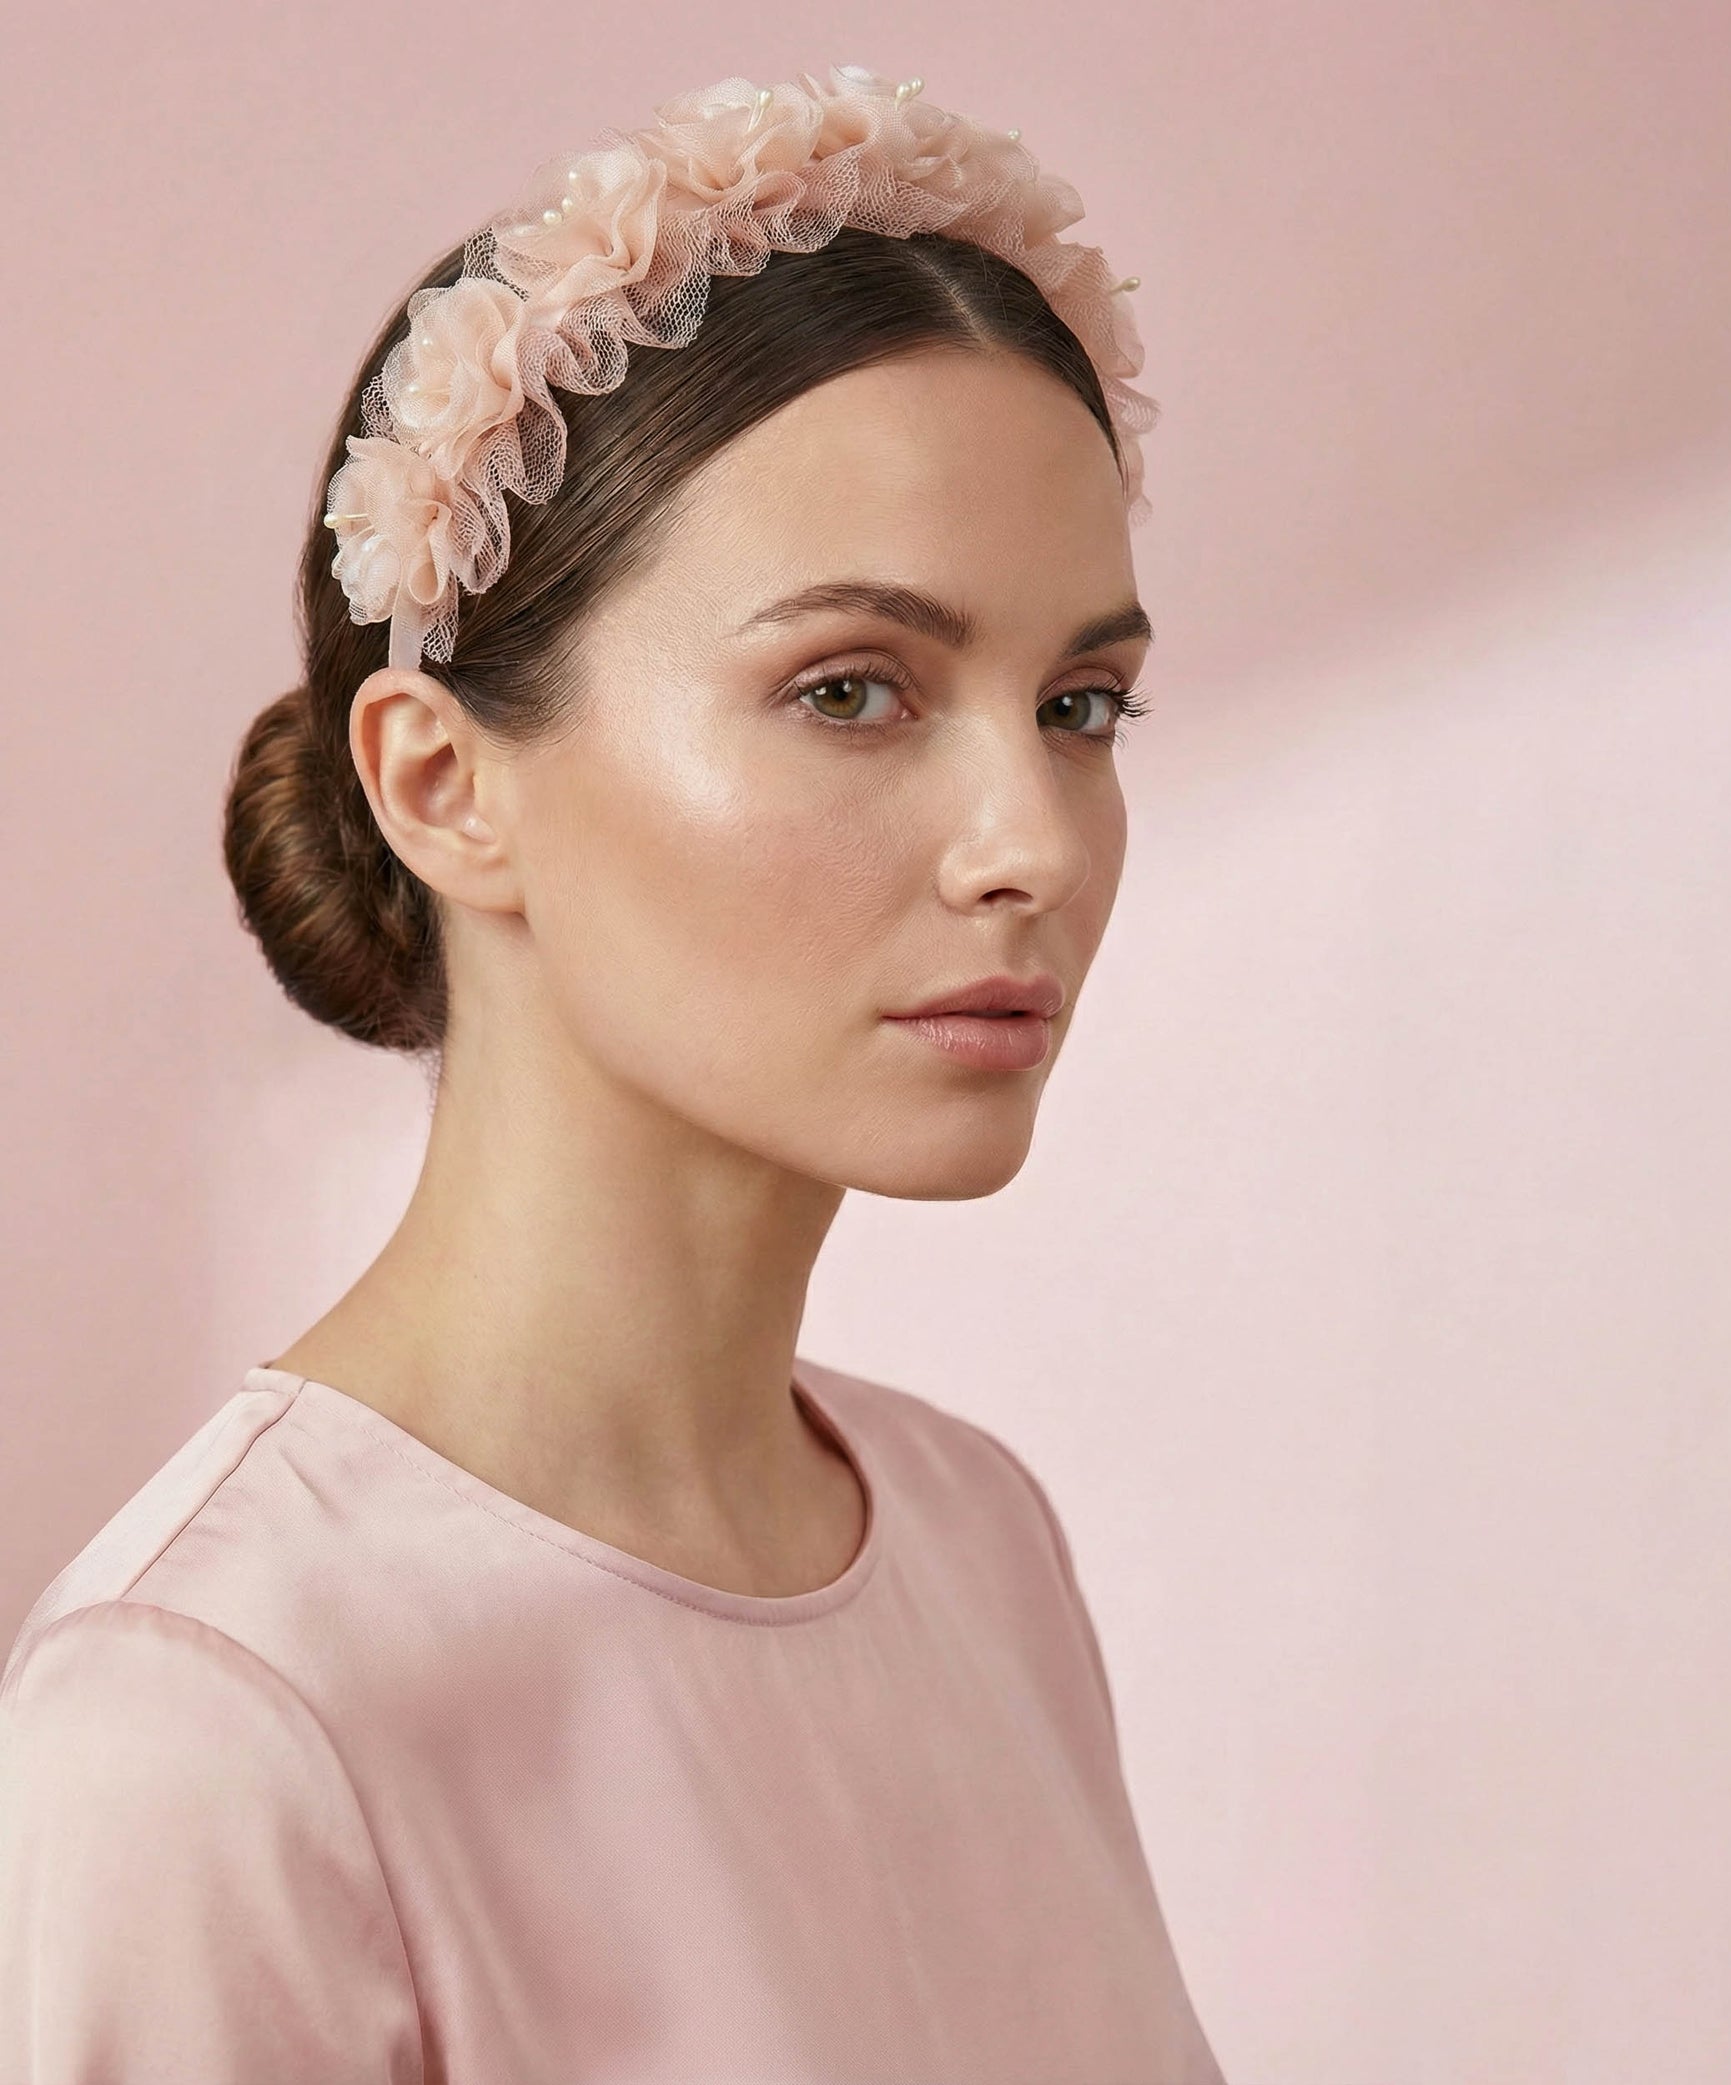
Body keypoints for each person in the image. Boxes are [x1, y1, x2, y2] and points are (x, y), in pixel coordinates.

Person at [0, 60, 1226, 2084]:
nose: (1028, 833)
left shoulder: (969, 1540)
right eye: (851, 688)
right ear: (442, 781)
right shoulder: (215, 1721)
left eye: (1079, 702)